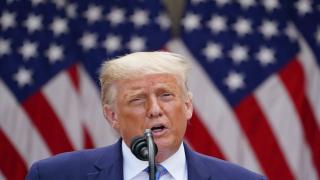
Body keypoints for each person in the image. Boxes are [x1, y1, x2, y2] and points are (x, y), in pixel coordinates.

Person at [26, 51, 266, 180]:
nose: (154, 109)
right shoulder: (54, 176)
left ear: (188, 106)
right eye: (138, 99)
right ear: (112, 116)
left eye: (166, 96)